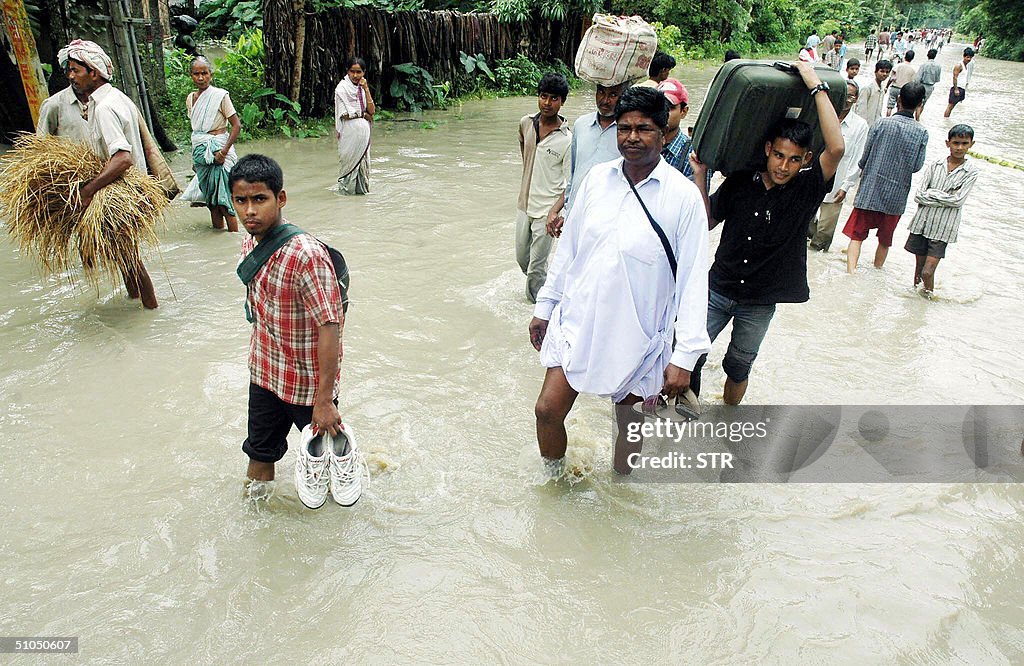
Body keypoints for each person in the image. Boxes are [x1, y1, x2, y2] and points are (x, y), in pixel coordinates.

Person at [529, 86, 710, 477]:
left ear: (663, 134)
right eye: (624, 128)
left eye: (643, 129)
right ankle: (553, 482)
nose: (631, 137)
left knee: (628, 425)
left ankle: (620, 490)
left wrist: (685, 356)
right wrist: (545, 307)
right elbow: (569, 250)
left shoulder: (683, 198)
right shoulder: (596, 179)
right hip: (580, 317)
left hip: (639, 329)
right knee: (547, 410)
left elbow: (695, 279)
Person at [688, 60, 845, 405]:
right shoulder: (741, 182)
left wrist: (814, 82)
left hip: (760, 301)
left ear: (805, 160)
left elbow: (835, 148)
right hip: (718, 288)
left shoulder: (806, 190)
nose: (783, 165)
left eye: (793, 159)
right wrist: (701, 176)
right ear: (767, 150)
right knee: (689, 356)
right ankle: (688, 417)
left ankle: (728, 419)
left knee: (738, 366)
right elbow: (706, 222)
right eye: (778, 155)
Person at [233, 154, 359, 506]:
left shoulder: (307, 256)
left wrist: (324, 400)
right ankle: (257, 526)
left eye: (260, 199)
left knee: (330, 475)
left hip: (308, 387)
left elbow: (330, 326)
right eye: (241, 201)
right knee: (259, 455)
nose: (250, 211)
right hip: (265, 373)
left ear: (281, 199)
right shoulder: (249, 244)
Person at [51, 40, 158, 309]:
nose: (71, 76)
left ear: (94, 73)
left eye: (76, 70)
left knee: (131, 257)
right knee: (125, 257)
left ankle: (151, 310)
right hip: (129, 190)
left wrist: (88, 190)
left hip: (120, 191)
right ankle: (138, 304)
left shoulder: (105, 108)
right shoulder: (117, 97)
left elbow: (122, 158)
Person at [843, 82, 928, 273]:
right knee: (884, 240)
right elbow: (916, 167)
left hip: (870, 191)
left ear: (898, 100)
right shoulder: (921, 132)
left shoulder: (881, 123)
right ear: (920, 104)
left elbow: (863, 159)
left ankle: (850, 273)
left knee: (856, 236)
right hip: (895, 198)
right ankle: (876, 271)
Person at [546, 81, 628, 236]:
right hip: (575, 215)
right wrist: (559, 210)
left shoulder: (626, 131)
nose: (605, 100)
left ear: (623, 96)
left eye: (613, 94)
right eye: (601, 92)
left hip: (607, 221)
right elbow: (574, 175)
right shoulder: (581, 124)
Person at [516, 73, 571, 303]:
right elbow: (525, 151)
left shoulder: (568, 139)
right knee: (522, 259)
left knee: (536, 268)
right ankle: (552, 289)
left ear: (562, 101)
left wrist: (556, 212)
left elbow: (570, 183)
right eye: (543, 96)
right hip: (524, 204)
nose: (547, 103)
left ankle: (538, 310)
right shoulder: (526, 123)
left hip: (546, 212)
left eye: (554, 98)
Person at [904, 124, 978, 294]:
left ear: (971, 145)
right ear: (948, 143)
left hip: (943, 229)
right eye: (956, 143)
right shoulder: (935, 165)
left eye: (964, 143)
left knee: (927, 272)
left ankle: (928, 299)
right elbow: (919, 195)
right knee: (918, 272)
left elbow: (958, 200)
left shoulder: (970, 172)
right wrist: (945, 196)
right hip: (922, 223)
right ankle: (917, 308)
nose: (959, 148)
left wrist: (933, 194)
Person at [180, 56, 241, 232]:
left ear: (211, 75)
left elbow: (236, 125)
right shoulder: (191, 99)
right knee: (212, 203)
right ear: (191, 75)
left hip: (219, 149)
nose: (200, 78)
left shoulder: (220, 96)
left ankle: (233, 239)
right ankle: (218, 240)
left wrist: (223, 152)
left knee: (224, 202)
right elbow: (197, 132)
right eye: (196, 74)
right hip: (201, 153)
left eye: (204, 73)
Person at [809, 80, 868, 252]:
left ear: (856, 99)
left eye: (851, 96)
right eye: (845, 95)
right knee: (804, 224)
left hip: (837, 185)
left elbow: (858, 159)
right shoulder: (822, 116)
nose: (847, 100)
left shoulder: (859, 126)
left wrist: (846, 186)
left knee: (823, 236)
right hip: (813, 179)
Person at [334, 56, 375, 195]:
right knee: (348, 169)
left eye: (359, 72)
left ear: (364, 72)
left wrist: (366, 88)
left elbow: (372, 111)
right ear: (348, 71)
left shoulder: (362, 88)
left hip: (363, 139)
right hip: (349, 136)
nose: (355, 75)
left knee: (363, 172)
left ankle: (360, 202)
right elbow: (344, 114)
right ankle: (345, 201)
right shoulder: (342, 88)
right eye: (352, 71)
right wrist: (362, 115)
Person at [655, 78, 696, 181]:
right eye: (659, 107)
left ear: (683, 112)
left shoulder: (692, 155)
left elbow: (697, 195)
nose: (663, 112)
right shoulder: (641, 144)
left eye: (669, 107)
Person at [854, 59, 892, 127]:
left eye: (887, 72)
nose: (884, 74)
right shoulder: (868, 88)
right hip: (864, 126)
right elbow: (860, 110)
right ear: (876, 72)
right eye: (882, 71)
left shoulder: (882, 90)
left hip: (875, 125)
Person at [944, 48, 975, 118]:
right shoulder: (959, 65)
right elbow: (955, 77)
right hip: (957, 89)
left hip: (961, 88)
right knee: (950, 106)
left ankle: (946, 120)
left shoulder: (966, 66)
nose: (969, 59)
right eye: (968, 57)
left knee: (953, 106)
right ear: (964, 56)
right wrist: (956, 89)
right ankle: (945, 119)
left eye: (970, 57)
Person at [885, 49, 917, 116]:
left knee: (889, 106)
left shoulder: (897, 66)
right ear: (912, 58)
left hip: (894, 87)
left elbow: (891, 78)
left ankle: (887, 118)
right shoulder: (913, 69)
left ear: (905, 56)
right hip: (904, 90)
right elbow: (913, 83)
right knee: (900, 108)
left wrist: (886, 87)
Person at [915, 48, 942, 118]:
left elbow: (918, 78)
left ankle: (917, 119)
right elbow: (937, 79)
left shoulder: (924, 65)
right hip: (930, 87)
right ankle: (918, 118)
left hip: (922, 85)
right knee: (923, 104)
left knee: (917, 104)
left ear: (927, 55)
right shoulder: (938, 66)